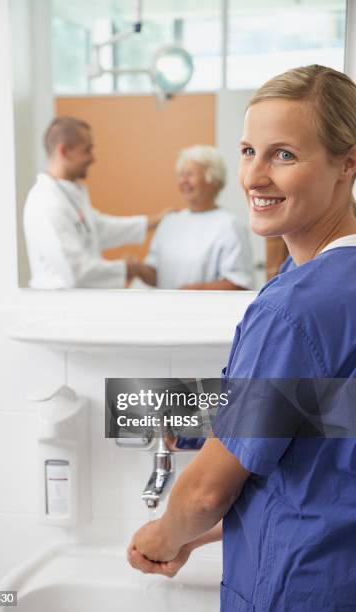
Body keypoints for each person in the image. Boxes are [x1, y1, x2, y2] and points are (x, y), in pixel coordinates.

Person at [127, 64, 356, 611]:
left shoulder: (294, 308)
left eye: (284, 155)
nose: (253, 177)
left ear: (348, 162)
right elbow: (325, 438)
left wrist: (165, 535)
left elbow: (207, 490)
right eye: (249, 151)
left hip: (299, 590)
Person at [24, 116, 166, 289]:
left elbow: (100, 228)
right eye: (87, 150)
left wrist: (155, 221)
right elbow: (76, 272)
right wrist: (131, 269)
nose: (93, 158)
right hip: (58, 309)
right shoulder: (47, 202)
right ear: (64, 151)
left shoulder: (67, 195)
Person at [134, 145, 254, 289]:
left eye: (190, 174)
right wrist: (136, 269)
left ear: (213, 179)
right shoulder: (169, 221)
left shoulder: (230, 226)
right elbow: (155, 274)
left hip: (205, 311)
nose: (183, 181)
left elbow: (239, 284)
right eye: (181, 175)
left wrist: (192, 292)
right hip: (166, 310)